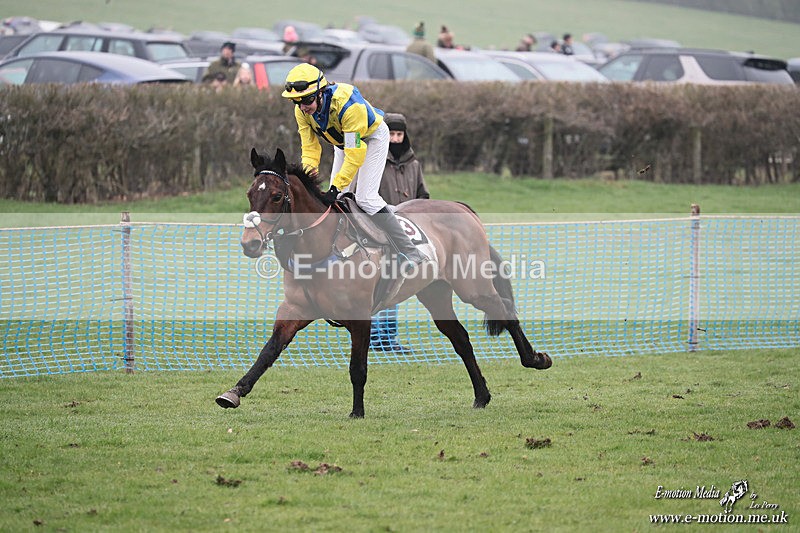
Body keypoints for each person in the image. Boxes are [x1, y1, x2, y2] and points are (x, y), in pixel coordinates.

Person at [281, 63, 428, 273]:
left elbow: (355, 153)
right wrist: (308, 180)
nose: (303, 106)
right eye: (297, 101)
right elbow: (310, 149)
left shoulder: (349, 106)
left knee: (365, 198)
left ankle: (409, 249)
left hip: (371, 138)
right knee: (339, 198)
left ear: (320, 92)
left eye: (307, 100)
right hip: (344, 142)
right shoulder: (302, 111)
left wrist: (335, 186)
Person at [370, 112, 430, 352]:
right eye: (391, 134)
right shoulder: (375, 161)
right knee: (377, 281)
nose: (395, 139)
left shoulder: (414, 164)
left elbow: (423, 195)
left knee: (396, 280)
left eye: (399, 134)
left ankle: (388, 338)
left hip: (405, 230)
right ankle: (375, 337)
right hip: (379, 228)